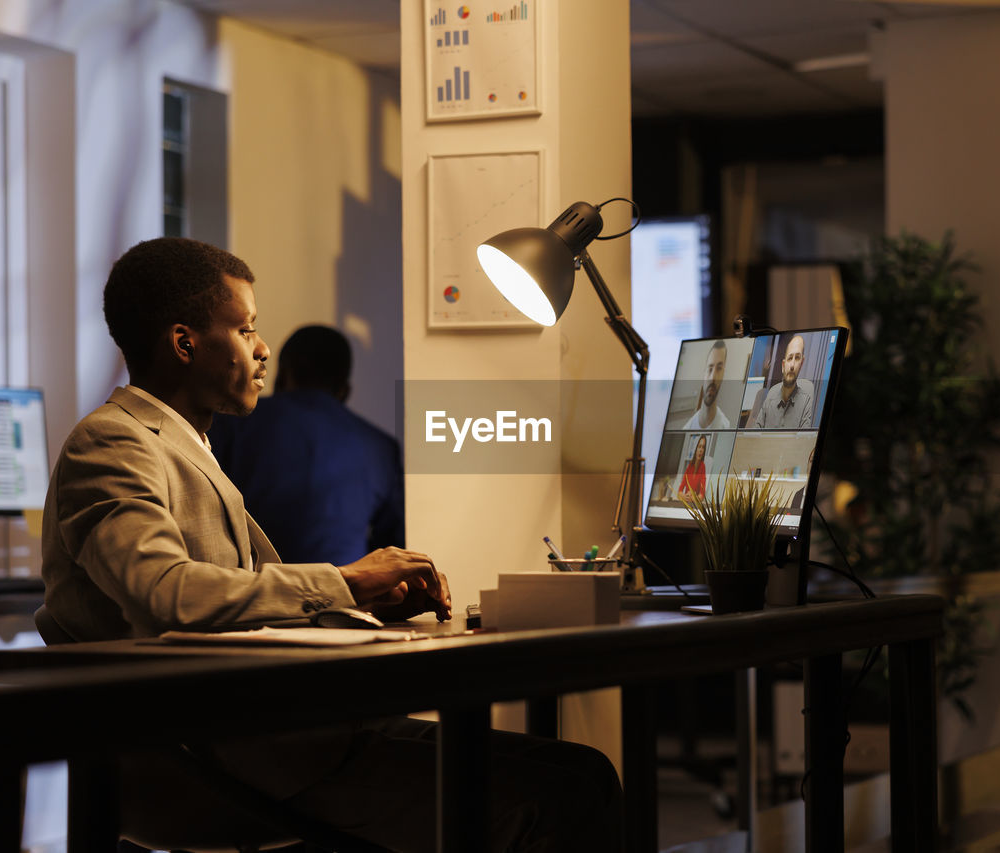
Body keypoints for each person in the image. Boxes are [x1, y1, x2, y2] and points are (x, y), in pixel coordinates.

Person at [41, 237, 621, 852]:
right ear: (185, 344)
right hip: (223, 762)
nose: (263, 350)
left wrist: (364, 608)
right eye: (246, 330)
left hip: (281, 734)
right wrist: (345, 580)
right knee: (564, 797)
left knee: (585, 770)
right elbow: (167, 594)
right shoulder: (111, 443)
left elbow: (241, 613)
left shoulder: (191, 446)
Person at [209, 324, 404, 565]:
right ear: (344, 390)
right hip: (348, 596)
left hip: (257, 593)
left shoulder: (230, 425)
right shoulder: (382, 448)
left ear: (281, 377)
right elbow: (391, 551)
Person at [753, 333, 815, 429]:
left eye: (797, 358)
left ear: (801, 363)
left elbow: (803, 440)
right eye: (790, 358)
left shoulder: (806, 400)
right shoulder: (771, 394)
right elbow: (755, 432)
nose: (792, 365)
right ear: (783, 365)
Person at [681, 340, 732, 430]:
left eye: (719, 368)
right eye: (710, 368)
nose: (713, 377)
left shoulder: (726, 426)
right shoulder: (687, 428)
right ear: (704, 373)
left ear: (723, 374)